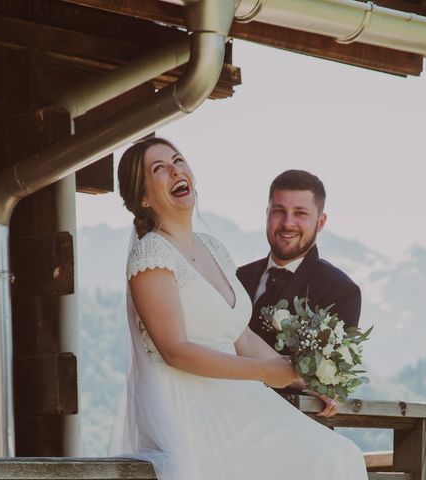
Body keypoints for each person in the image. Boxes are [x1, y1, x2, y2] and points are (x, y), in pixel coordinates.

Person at [109, 137, 368, 480]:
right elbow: (174, 350)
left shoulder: (214, 248)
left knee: (341, 455)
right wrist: (265, 374)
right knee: (326, 458)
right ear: (143, 196)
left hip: (239, 398)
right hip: (191, 404)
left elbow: (241, 335)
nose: (175, 170)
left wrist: (301, 379)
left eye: (178, 160)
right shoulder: (151, 256)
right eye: (159, 169)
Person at [237, 169, 362, 349]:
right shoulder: (237, 277)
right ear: (267, 214)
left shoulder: (341, 292)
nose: (287, 223)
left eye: (300, 213)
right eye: (279, 211)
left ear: (320, 222)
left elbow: (330, 374)